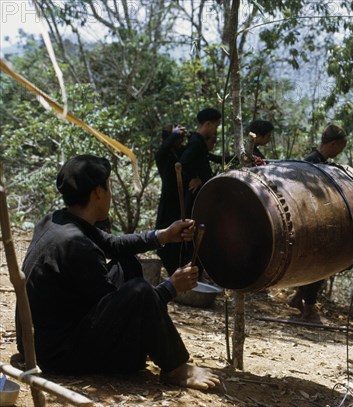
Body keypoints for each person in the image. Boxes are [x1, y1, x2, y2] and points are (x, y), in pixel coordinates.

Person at [18, 154, 220, 390]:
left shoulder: (57, 219)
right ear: (97, 192)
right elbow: (115, 303)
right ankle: (174, 368)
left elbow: (112, 244)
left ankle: (146, 340)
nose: (111, 194)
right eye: (110, 187)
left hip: (40, 337)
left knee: (127, 263)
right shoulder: (76, 247)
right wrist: (170, 288)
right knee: (141, 291)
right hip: (57, 354)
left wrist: (163, 235)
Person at [287, 124, 348, 323]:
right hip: (310, 221)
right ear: (333, 144)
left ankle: (299, 298)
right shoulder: (311, 164)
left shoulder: (319, 162)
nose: (340, 152)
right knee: (320, 264)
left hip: (314, 220)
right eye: (340, 147)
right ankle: (309, 309)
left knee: (318, 264)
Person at [155, 123, 190, 275]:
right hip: (168, 203)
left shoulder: (180, 153)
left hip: (183, 201)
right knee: (167, 237)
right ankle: (170, 271)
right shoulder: (163, 154)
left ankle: (177, 269)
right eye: (177, 138)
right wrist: (175, 134)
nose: (180, 140)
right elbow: (164, 148)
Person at [180, 107, 222, 217]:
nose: (215, 130)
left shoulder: (198, 140)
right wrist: (195, 177)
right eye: (216, 126)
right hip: (195, 192)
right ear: (208, 124)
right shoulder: (196, 142)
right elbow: (184, 162)